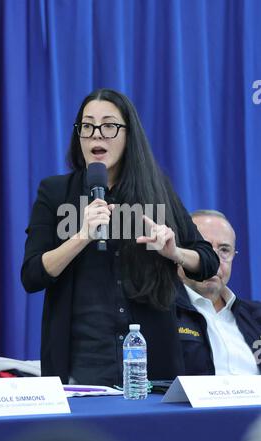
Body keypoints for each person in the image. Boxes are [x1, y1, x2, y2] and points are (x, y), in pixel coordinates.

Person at [21, 88, 219, 387]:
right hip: (81, 366)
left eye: (109, 125)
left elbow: (207, 261)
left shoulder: (156, 190)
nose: (96, 135)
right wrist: (81, 236)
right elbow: (32, 275)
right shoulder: (56, 193)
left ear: (129, 134)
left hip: (152, 365)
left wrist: (174, 252)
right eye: (87, 126)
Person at [176, 209, 261, 375]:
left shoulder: (256, 316)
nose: (213, 262)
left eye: (224, 250)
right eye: (203, 249)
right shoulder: (160, 315)